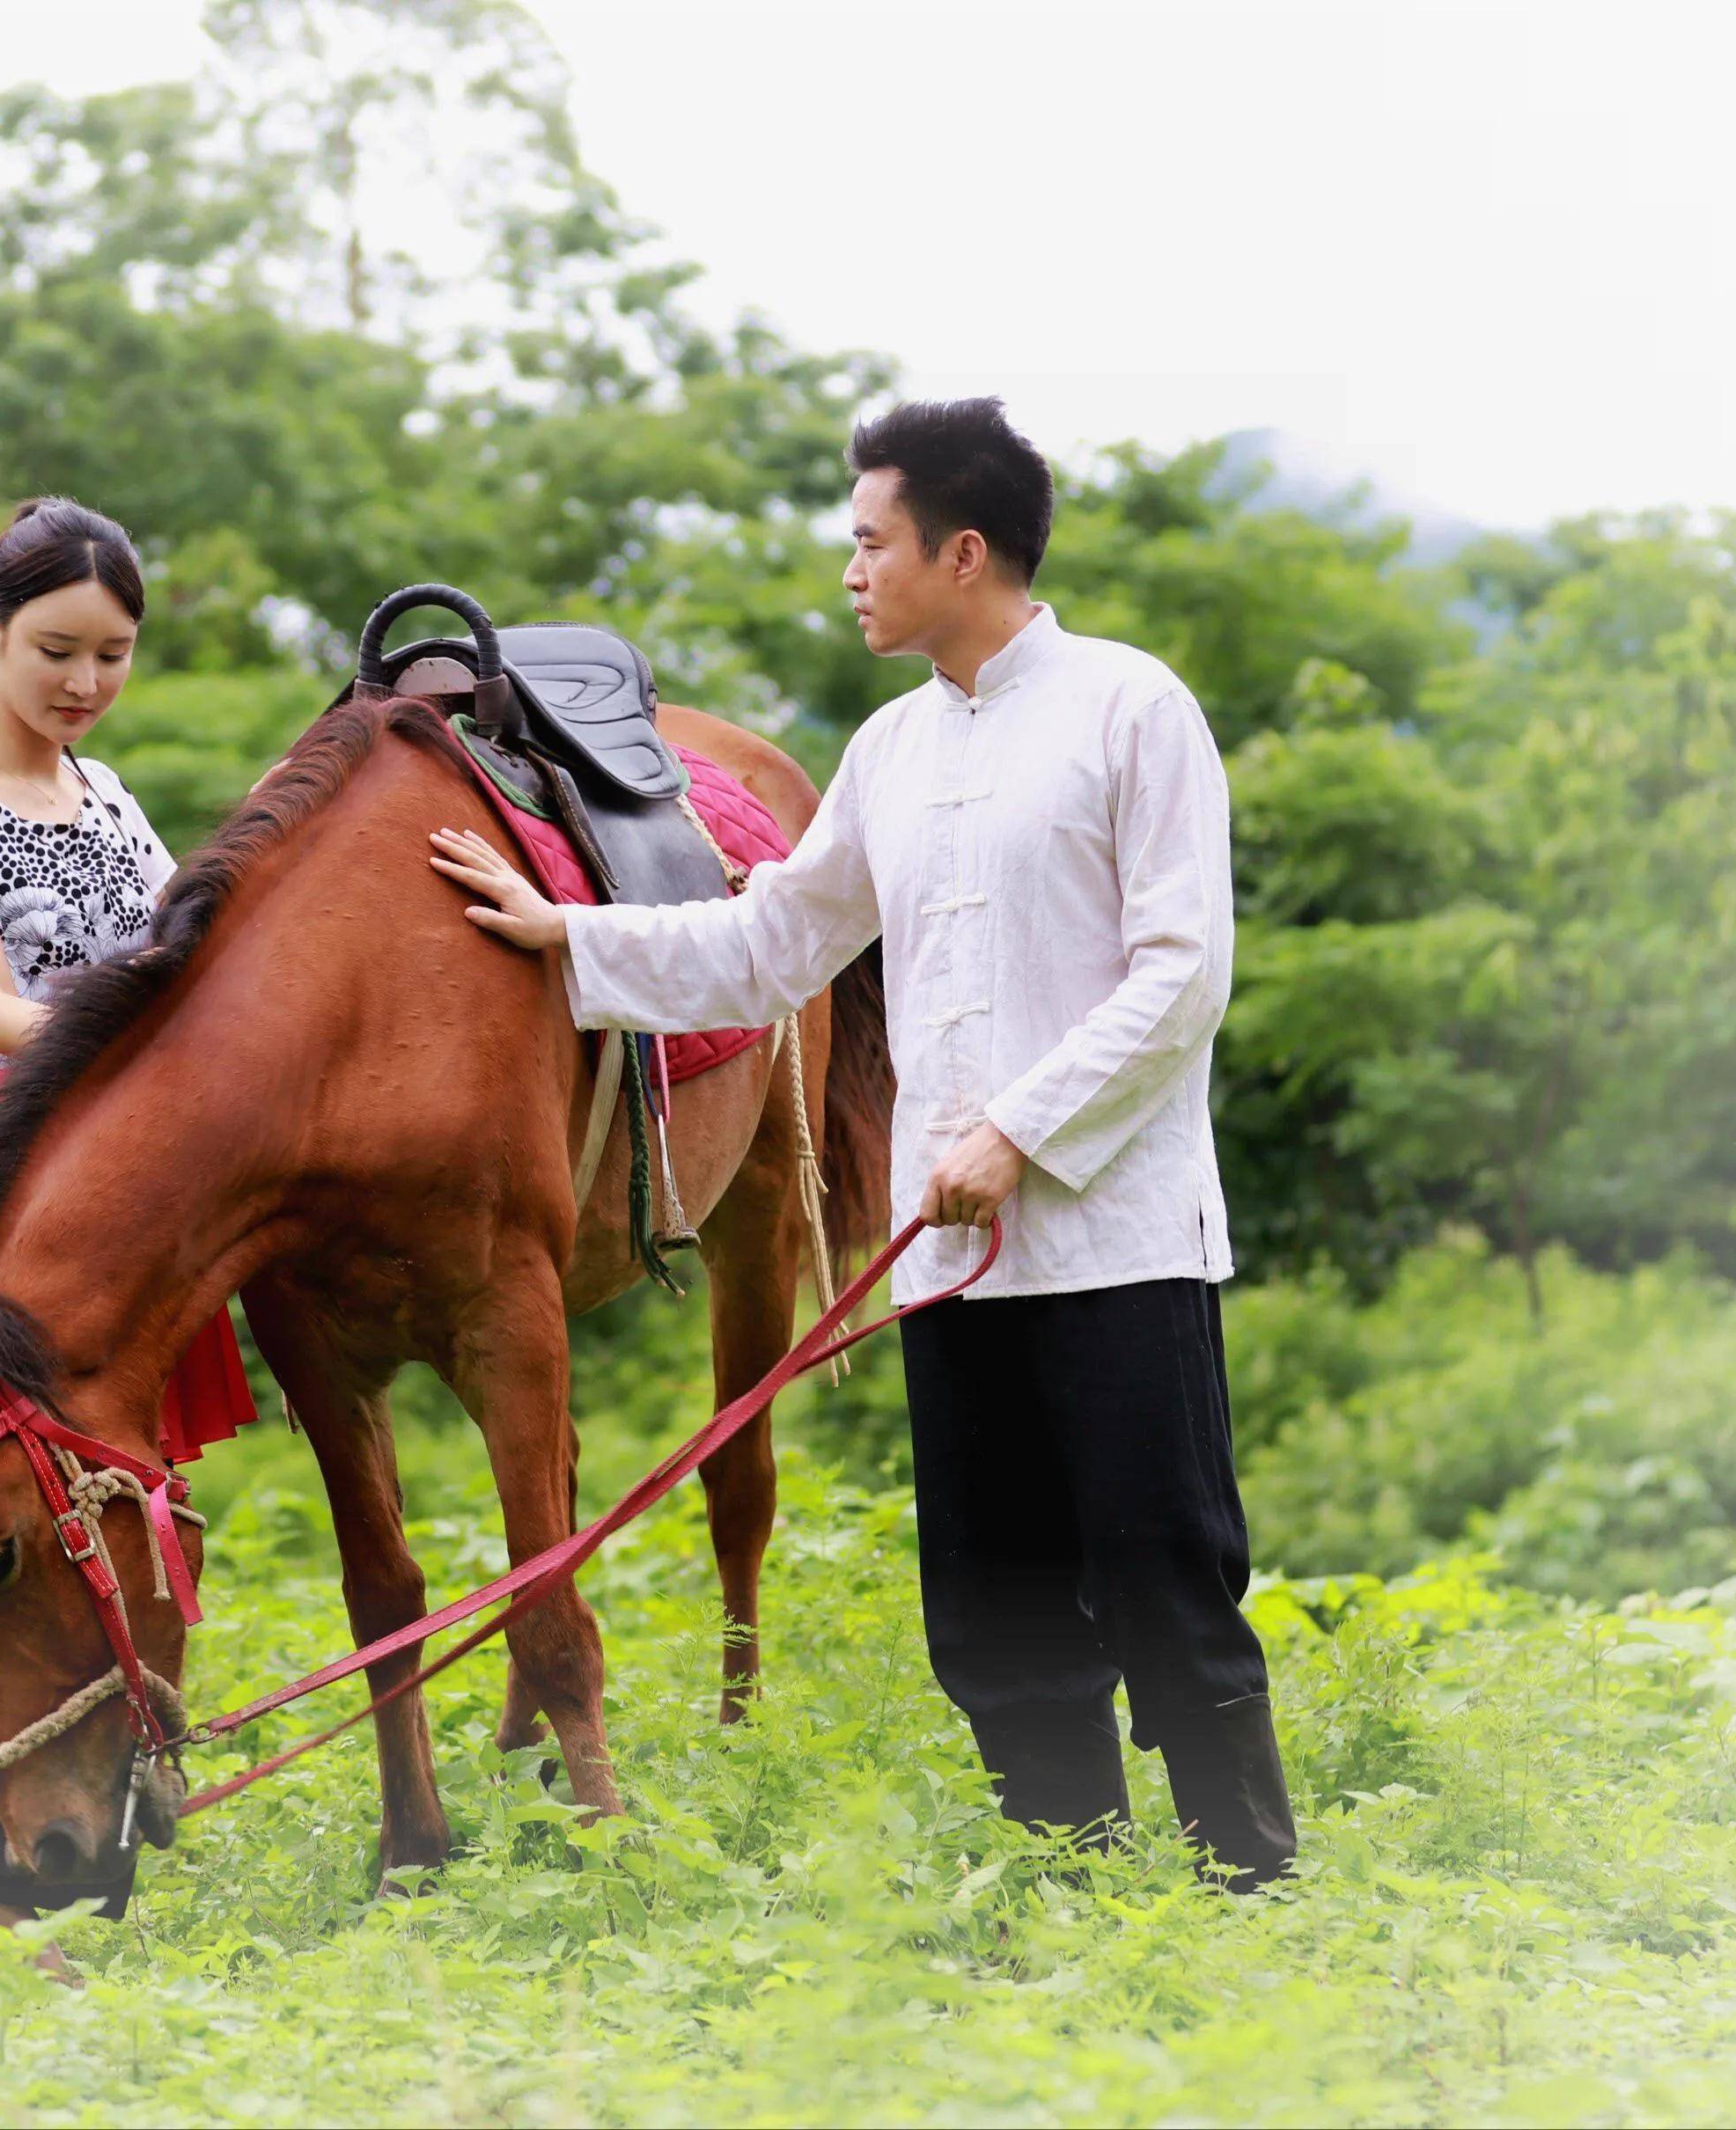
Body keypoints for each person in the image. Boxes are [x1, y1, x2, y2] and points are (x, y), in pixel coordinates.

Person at [427, 398, 1297, 1889]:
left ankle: (1251, 1894)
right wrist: (563, 937)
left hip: (1119, 1244)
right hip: (954, 1264)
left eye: (870, 541)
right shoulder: (889, 748)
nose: (852, 570)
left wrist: (1019, 1134)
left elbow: (1183, 976)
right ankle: (1072, 1896)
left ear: (963, 553)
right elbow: (772, 947)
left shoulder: (1132, 709)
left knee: (1165, 1582)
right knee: (993, 1608)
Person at [0, 496, 260, 1959]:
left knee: (97, 1515)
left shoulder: (111, 796)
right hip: (1, 1179)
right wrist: (156, 1048)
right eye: (57, 650)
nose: (85, 682)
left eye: (113, 654)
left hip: (123, 1187)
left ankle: (28, 1869)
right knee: (14, 1512)